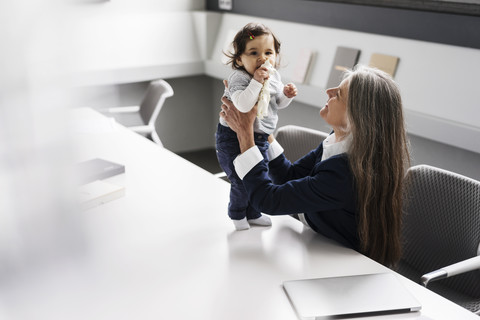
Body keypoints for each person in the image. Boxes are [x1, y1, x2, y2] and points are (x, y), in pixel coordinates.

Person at [220, 65, 410, 267]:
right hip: (318, 246)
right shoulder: (339, 141)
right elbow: (289, 176)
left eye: (339, 94)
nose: (329, 92)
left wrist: (245, 134)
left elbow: (267, 200)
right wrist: (262, 129)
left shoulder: (346, 173)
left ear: (358, 116)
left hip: (345, 266)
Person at [216, 23, 298, 231]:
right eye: (254, 53)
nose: (263, 58)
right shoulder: (240, 78)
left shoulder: (274, 77)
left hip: (260, 136)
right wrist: (257, 81)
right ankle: (236, 213)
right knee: (241, 179)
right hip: (233, 137)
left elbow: (275, 104)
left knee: (258, 177)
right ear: (239, 59)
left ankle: (252, 212)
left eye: (268, 52)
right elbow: (243, 105)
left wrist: (285, 96)